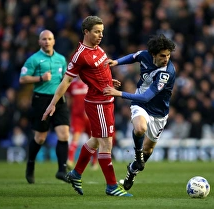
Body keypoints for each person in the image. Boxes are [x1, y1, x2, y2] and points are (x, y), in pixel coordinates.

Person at [42, 16, 132, 197]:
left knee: (96, 140)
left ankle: (76, 174)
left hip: (107, 100)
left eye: (102, 32)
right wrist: (52, 104)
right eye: (97, 32)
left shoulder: (97, 48)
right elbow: (66, 81)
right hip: (97, 103)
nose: (101, 35)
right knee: (106, 143)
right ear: (86, 32)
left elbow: (98, 71)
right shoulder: (80, 55)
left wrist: (108, 81)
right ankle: (112, 186)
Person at [103, 34, 176, 190]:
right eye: (163, 56)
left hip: (158, 112)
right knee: (140, 128)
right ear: (153, 55)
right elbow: (133, 56)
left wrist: (119, 93)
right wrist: (116, 62)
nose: (166, 59)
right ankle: (137, 156)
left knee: (148, 150)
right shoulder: (145, 55)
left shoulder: (166, 73)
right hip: (140, 105)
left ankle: (132, 171)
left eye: (168, 55)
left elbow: (146, 97)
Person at [19, 30, 69, 184]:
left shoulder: (61, 59)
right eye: (44, 39)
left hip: (59, 99)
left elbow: (65, 80)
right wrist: (40, 78)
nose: (47, 41)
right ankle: (31, 163)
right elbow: (22, 79)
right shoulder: (34, 59)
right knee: (40, 138)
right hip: (41, 99)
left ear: (54, 41)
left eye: (49, 39)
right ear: (39, 42)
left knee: (64, 134)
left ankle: (62, 170)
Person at [66, 77, 98, 170]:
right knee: (75, 136)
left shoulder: (89, 82)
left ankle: (94, 161)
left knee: (93, 138)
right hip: (77, 116)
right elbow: (69, 100)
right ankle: (70, 160)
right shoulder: (72, 84)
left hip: (89, 115)